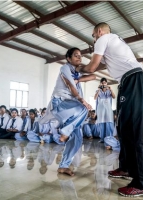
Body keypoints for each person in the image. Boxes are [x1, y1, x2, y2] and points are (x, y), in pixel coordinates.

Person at [75, 22, 143, 197]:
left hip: (134, 80)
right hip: (127, 82)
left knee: (134, 131)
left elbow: (92, 67)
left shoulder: (104, 38)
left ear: (99, 31)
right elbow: (98, 66)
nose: (93, 39)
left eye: (93, 35)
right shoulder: (112, 43)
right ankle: (126, 168)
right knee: (123, 128)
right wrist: (82, 76)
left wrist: (77, 68)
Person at [39, 47, 95, 176]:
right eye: (76, 55)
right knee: (83, 107)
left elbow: (93, 75)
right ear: (68, 58)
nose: (79, 58)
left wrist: (79, 79)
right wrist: (82, 100)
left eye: (80, 56)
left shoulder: (77, 72)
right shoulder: (64, 68)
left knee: (77, 140)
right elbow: (70, 86)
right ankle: (65, 132)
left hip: (71, 107)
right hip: (59, 103)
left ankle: (63, 166)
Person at [94, 78, 115, 142]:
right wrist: (98, 90)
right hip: (101, 109)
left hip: (108, 109)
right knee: (102, 123)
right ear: (100, 83)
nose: (104, 84)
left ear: (107, 83)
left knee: (108, 122)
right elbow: (95, 98)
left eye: (105, 83)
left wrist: (111, 89)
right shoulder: (98, 91)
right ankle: (102, 138)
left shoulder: (109, 91)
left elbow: (114, 97)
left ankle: (109, 138)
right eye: (102, 83)